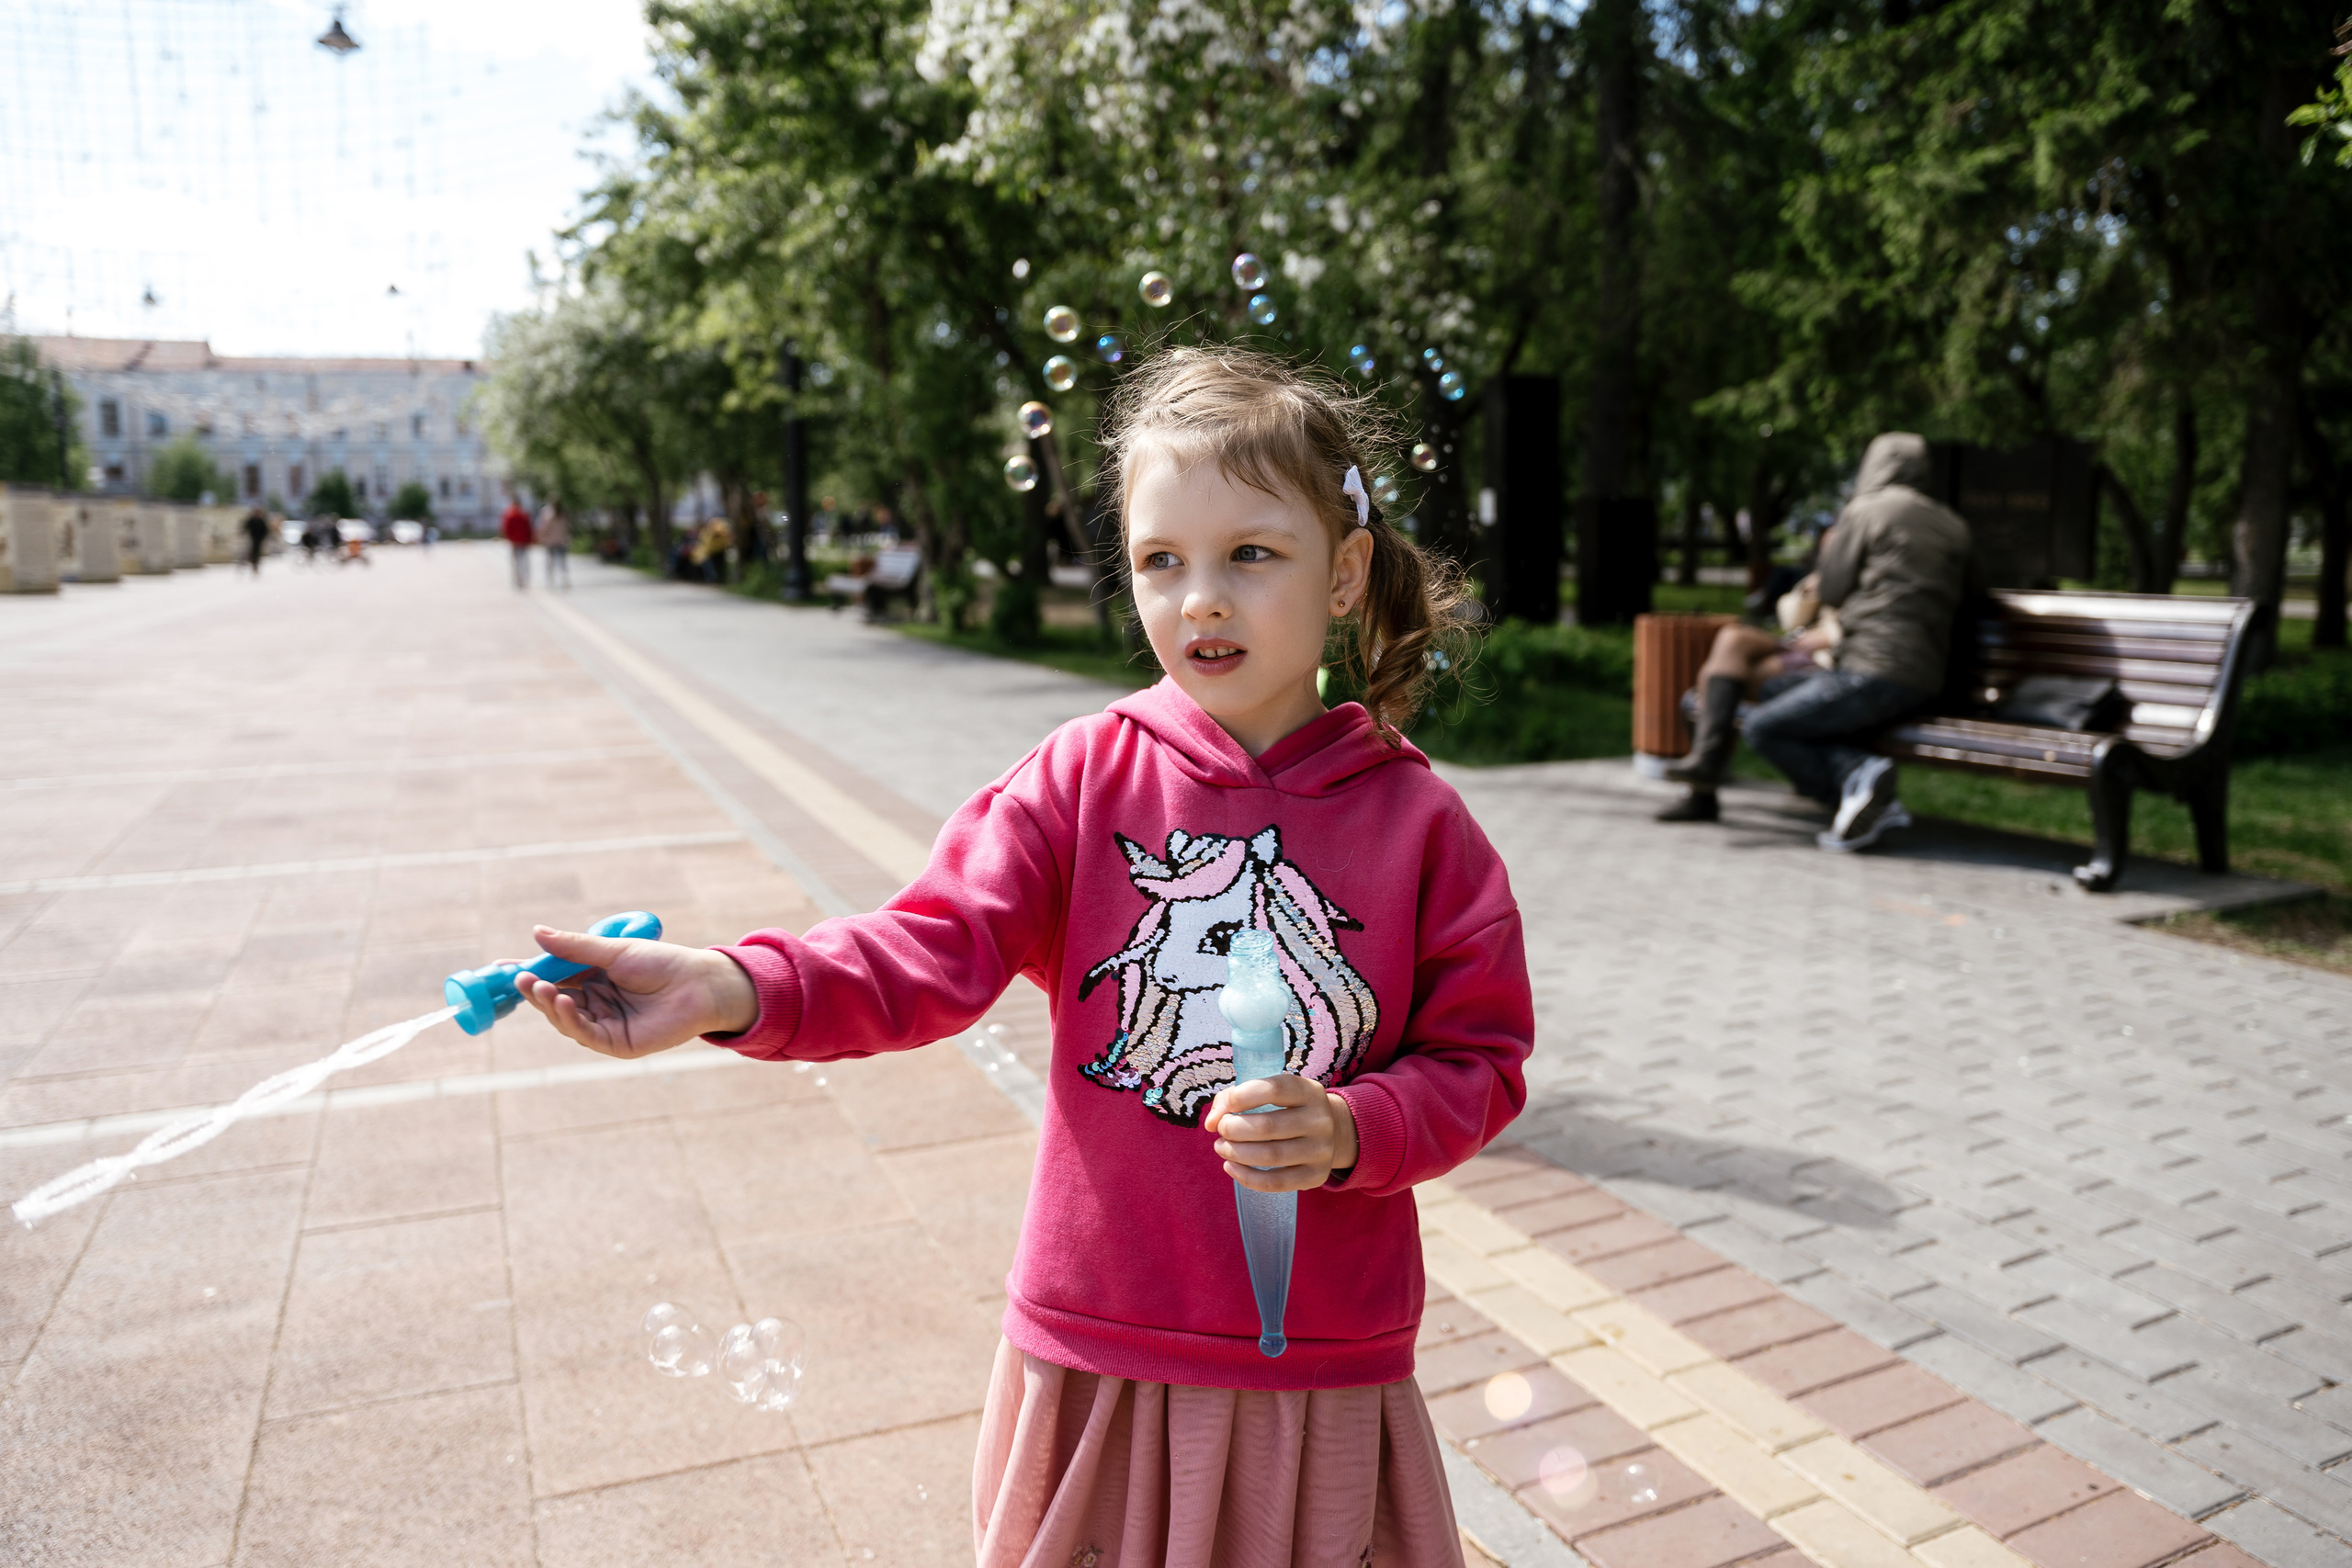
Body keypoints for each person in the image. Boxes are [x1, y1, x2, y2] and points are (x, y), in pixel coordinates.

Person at [515, 348, 1531, 1568]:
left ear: (1346, 568)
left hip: (1313, 1361)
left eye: (1251, 553)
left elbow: (1481, 1062)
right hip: (1097, 1342)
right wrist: (733, 985)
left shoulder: (1422, 828)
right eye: (1163, 560)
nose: (1201, 596)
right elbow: (924, 948)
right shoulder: (1081, 775)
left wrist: (1360, 1125)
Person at [1658, 432, 1972, 852]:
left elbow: (1835, 589)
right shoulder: (1954, 525)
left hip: (1870, 672)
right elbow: (1975, 598)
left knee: (1763, 727)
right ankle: (1854, 785)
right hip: (1922, 675)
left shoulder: (1867, 510)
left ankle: (1857, 779)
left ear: (1874, 466)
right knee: (1766, 689)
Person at [501, 497, 534, 589]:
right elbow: (528, 528)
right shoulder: (524, 514)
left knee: (516, 562)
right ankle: (523, 580)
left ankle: (517, 580)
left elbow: (506, 529)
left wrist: (508, 539)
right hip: (523, 541)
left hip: (514, 541)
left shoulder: (510, 514)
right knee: (523, 562)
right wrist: (529, 540)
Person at [537, 501, 571, 588]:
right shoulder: (563, 516)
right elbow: (566, 528)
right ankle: (564, 580)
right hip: (561, 541)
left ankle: (551, 581)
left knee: (550, 562)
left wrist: (541, 537)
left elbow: (545, 528)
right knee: (562, 562)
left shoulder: (550, 517)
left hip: (551, 541)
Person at [240, 504, 270, 574]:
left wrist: (264, 538)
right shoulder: (251, 520)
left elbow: (265, 530)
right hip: (252, 538)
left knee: (257, 552)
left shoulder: (261, 521)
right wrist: (242, 533)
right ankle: (252, 562)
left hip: (259, 539)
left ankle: (255, 563)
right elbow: (246, 527)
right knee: (252, 550)